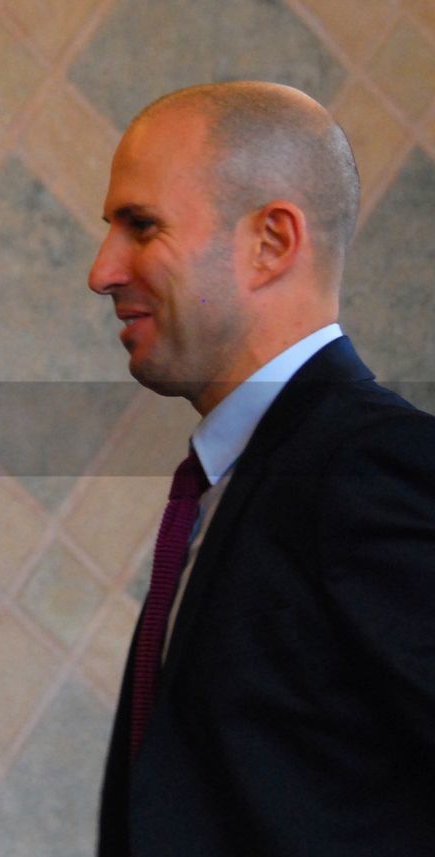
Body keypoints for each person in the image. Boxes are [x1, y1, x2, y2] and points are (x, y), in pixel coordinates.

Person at [88, 81, 435, 856]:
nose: (102, 270)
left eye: (140, 226)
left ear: (272, 242)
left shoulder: (377, 468)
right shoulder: (240, 478)